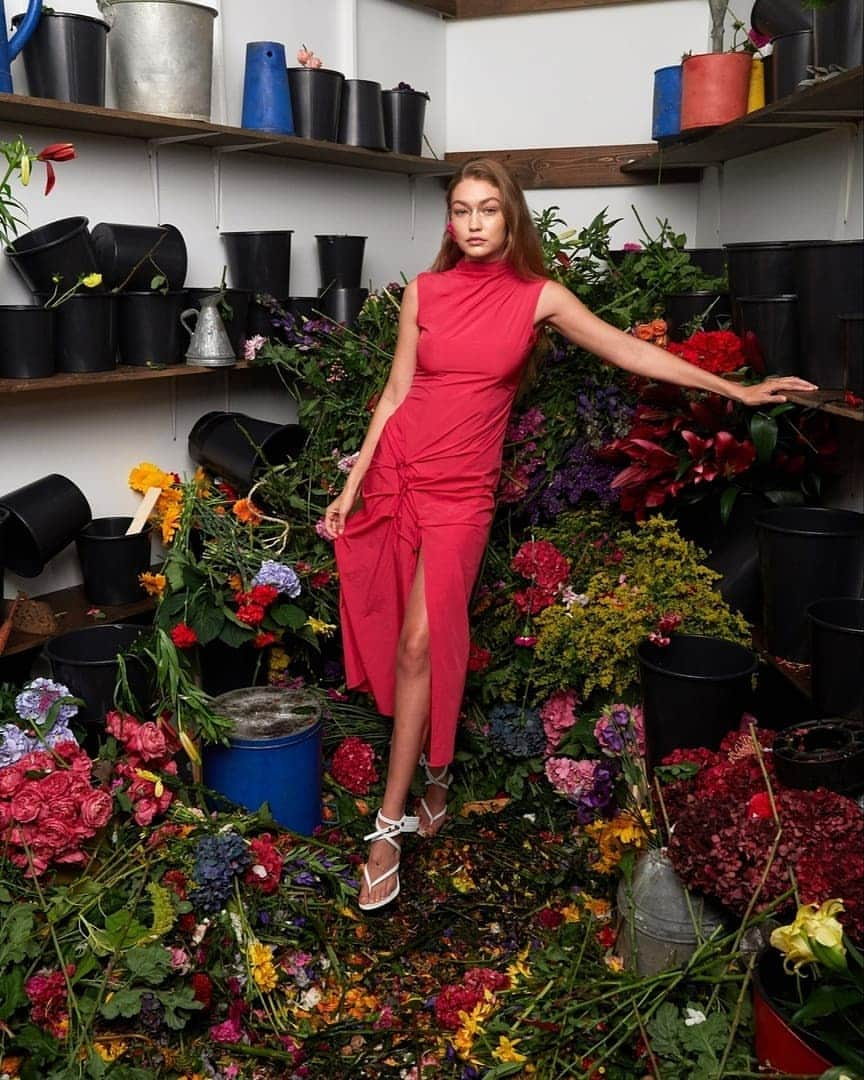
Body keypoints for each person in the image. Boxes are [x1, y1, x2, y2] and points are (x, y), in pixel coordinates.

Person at [322, 157, 817, 912]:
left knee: (424, 640)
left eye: (489, 208)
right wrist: (351, 487)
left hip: (462, 493)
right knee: (409, 634)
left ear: (510, 218)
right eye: (462, 209)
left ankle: (390, 825)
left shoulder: (538, 297)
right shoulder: (423, 291)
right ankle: (429, 782)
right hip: (398, 474)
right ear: (449, 221)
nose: (476, 222)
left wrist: (736, 388)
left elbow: (628, 349)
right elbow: (395, 394)